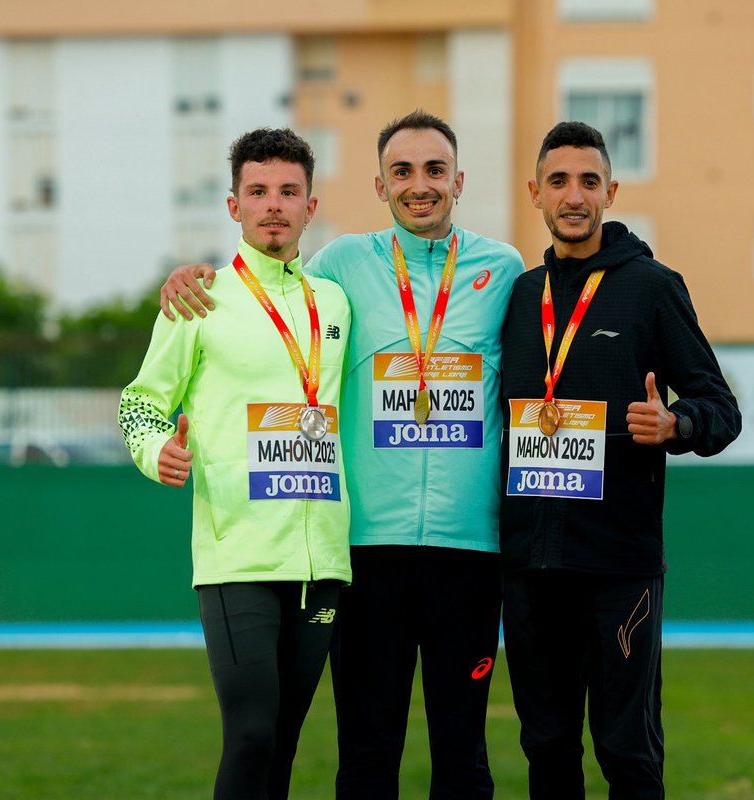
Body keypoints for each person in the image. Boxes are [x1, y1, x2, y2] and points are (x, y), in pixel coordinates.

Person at [158, 110, 524, 799]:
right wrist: (191, 277)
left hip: (470, 552)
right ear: (380, 187)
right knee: (365, 753)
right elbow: (270, 276)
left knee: (465, 757)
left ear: (459, 181)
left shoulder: (503, 270)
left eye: (435, 170)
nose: (421, 185)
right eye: (403, 173)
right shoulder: (340, 268)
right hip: (365, 554)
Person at [499, 121, 742, 798]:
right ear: (535, 194)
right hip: (530, 567)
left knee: (627, 753)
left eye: (588, 181)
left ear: (611, 190)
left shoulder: (653, 287)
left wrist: (676, 422)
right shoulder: (519, 298)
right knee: (546, 750)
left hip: (618, 570)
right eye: (558, 181)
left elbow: (721, 409)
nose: (573, 195)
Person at [119, 127, 352, 800]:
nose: (273, 205)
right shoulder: (198, 299)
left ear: (311, 205)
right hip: (238, 558)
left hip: (323, 565)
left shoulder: (336, 302)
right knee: (250, 734)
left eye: (288, 191)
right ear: (233, 206)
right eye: (258, 192)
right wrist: (152, 448)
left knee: (281, 744)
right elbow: (140, 403)